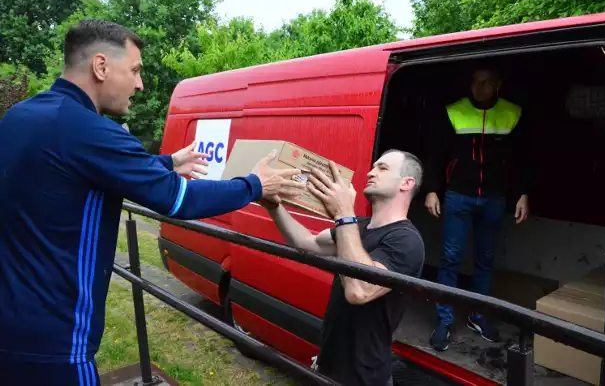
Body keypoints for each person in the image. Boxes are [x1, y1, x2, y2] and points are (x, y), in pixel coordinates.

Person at [0, 19, 305, 386]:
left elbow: (75, 169)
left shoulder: (23, 116)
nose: (140, 84)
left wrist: (167, 163)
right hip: (56, 337)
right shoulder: (91, 131)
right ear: (101, 66)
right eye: (135, 70)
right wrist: (255, 185)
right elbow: (180, 201)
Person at [261, 149, 426, 386]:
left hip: (364, 377)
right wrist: (274, 207)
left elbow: (359, 290)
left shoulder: (407, 240)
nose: (371, 172)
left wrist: (344, 213)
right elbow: (307, 243)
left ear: (406, 183)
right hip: (329, 364)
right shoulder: (357, 225)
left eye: (383, 168)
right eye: (373, 166)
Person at [424, 68, 530, 352]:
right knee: (451, 259)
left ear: (498, 84)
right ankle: (444, 321)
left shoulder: (513, 113)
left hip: (494, 198)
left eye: (486, 82)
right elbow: (435, 154)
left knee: (485, 261)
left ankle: (478, 315)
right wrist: (432, 189)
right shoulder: (454, 111)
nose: (479, 86)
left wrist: (522, 194)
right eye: (475, 81)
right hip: (458, 195)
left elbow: (521, 159)